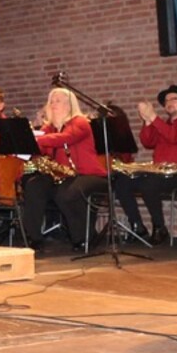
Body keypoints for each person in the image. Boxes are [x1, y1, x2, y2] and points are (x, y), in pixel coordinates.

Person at [21, 88, 109, 252]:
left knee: (67, 193)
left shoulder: (80, 122)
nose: (53, 104)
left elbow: (65, 138)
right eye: (51, 101)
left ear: (70, 105)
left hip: (89, 175)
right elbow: (40, 148)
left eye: (58, 101)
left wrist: (37, 138)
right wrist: (26, 144)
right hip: (62, 175)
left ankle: (81, 238)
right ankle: (34, 238)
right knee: (34, 185)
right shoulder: (48, 128)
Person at [113, 84, 177, 245]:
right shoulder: (163, 125)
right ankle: (137, 226)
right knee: (122, 181)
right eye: (166, 100)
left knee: (149, 183)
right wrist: (147, 121)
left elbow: (174, 136)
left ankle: (159, 227)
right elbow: (147, 141)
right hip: (160, 174)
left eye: (174, 99)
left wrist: (153, 117)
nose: (169, 102)